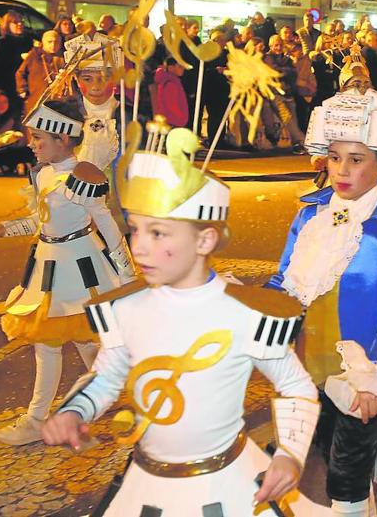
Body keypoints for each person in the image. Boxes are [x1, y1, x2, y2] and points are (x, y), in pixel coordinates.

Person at [42, 119, 327, 516]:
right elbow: (106, 376)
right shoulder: (127, 308)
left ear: (204, 240)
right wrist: (75, 410)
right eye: (136, 230)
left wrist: (289, 454)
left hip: (227, 483)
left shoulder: (243, 314)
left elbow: (296, 385)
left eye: (158, 234)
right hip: (147, 485)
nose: (138, 247)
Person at [267, 65, 377, 517]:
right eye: (335, 157)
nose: (341, 169)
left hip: (357, 373)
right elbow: (283, 282)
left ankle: (366, 460)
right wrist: (242, 300)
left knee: (344, 477)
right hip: (304, 365)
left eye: (356, 159)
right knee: (318, 454)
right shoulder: (309, 216)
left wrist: (376, 378)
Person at [0, 99, 134, 446]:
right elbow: (44, 221)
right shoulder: (44, 173)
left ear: (64, 140)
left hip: (81, 267)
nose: (32, 144)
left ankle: (41, 417)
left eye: (39, 138)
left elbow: (106, 223)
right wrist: (9, 227)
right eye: (33, 138)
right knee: (73, 340)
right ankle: (102, 389)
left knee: (63, 342)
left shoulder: (81, 177)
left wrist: (127, 274)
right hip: (48, 266)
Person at [63, 30, 124, 172]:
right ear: (77, 81)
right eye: (87, 79)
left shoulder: (129, 115)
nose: (95, 87)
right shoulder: (66, 115)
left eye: (103, 78)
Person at [15, 30, 65, 116]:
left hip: (56, 101)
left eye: (56, 42)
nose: (53, 45)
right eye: (50, 42)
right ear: (44, 42)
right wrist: (22, 90)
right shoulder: (34, 55)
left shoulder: (62, 58)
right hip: (35, 98)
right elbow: (20, 73)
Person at [0, 11, 33, 102]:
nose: (20, 24)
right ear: (7, 25)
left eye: (21, 22)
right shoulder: (2, 42)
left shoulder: (28, 41)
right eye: (15, 22)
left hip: (25, 83)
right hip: (8, 83)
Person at [152, 58, 189, 127]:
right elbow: (172, 105)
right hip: (173, 122)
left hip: (171, 121)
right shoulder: (170, 83)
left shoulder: (169, 80)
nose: (183, 68)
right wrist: (181, 117)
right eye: (180, 66)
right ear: (171, 68)